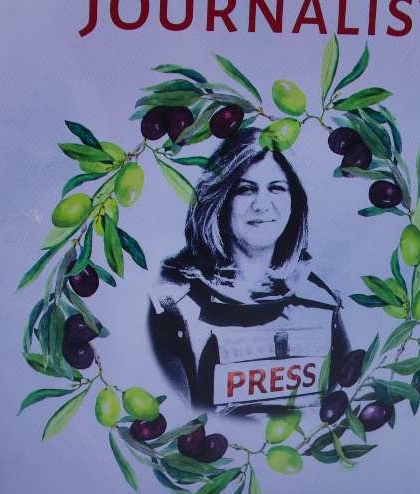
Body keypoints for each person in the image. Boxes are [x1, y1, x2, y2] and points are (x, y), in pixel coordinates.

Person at [147, 129, 350, 414]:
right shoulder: (173, 306)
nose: (262, 205)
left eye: (277, 188)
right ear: (219, 200)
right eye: (246, 189)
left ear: (295, 202)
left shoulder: (323, 303)